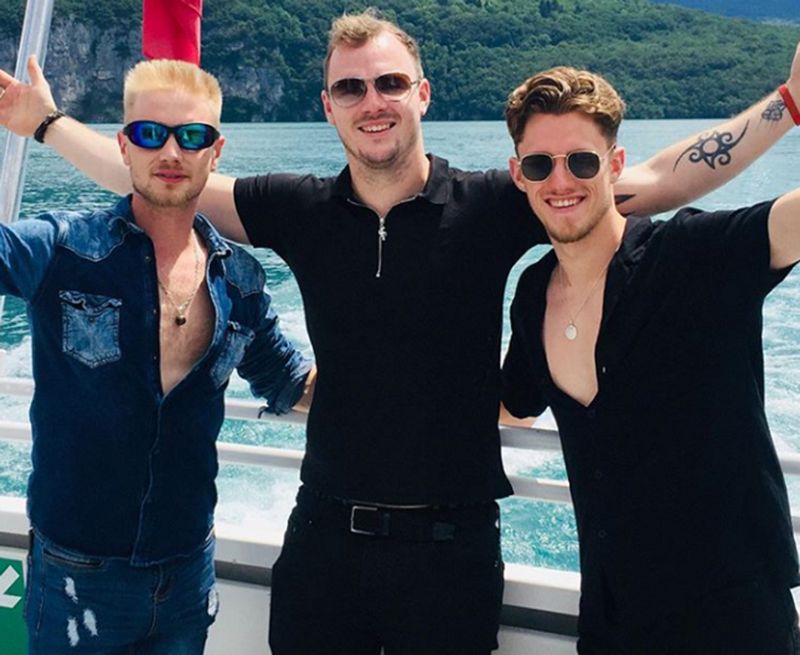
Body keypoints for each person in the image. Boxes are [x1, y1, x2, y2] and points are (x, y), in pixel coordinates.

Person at [0, 9, 798, 654]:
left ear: (421, 93)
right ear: (328, 106)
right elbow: (167, 176)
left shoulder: (500, 199)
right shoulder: (298, 208)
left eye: (389, 82)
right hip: (321, 541)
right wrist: (48, 128)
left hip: (449, 552)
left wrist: (787, 106)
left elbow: (658, 178)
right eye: (351, 87)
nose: (371, 99)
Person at [0, 59, 312, 654]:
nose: (170, 150)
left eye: (191, 136)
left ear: (215, 152)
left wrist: (425, 396)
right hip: (75, 574)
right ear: (124, 145)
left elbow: (289, 381)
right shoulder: (63, 249)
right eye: (150, 134)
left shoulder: (240, 282)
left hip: (187, 573)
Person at [501, 65, 800, 654]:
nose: (561, 180)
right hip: (612, 622)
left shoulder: (689, 258)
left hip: (735, 621)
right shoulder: (533, 294)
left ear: (614, 166)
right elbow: (511, 408)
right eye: (540, 165)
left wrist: (792, 101)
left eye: (582, 161)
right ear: (519, 175)